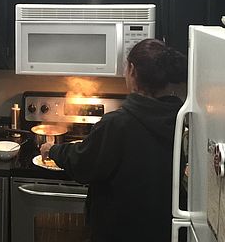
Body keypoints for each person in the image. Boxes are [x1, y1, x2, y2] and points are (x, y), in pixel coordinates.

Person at [40, 38, 187, 242]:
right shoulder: (181, 119)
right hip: (163, 230)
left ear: (132, 70)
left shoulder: (117, 123)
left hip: (120, 230)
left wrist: (53, 150)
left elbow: (83, 163)